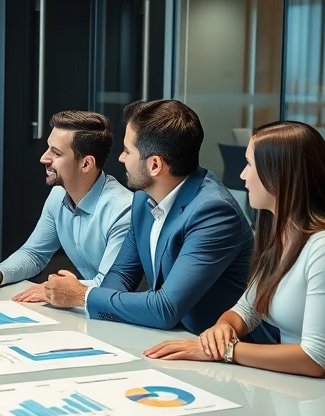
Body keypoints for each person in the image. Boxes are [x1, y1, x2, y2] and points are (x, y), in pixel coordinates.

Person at [146, 121, 325, 391]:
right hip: (304, 396)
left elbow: (314, 359)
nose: (242, 175)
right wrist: (223, 328)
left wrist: (224, 351)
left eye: (250, 164)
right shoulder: (282, 237)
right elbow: (244, 311)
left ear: (279, 174)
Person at [44, 100, 276, 341]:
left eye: (127, 151)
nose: (121, 159)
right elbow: (122, 274)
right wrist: (85, 297)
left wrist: (83, 295)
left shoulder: (214, 212)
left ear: (154, 165)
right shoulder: (143, 198)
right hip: (176, 339)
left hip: (232, 353)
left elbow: (165, 308)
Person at [0, 111, 132, 300]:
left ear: (86, 164)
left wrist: (55, 288)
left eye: (56, 153)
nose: (44, 158)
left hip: (126, 315)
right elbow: (34, 254)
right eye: (48, 149)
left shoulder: (123, 210)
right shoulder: (59, 194)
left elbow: (111, 285)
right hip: (89, 308)